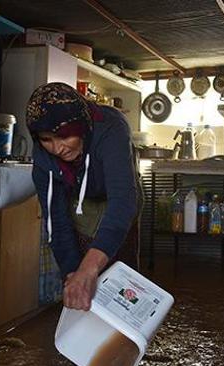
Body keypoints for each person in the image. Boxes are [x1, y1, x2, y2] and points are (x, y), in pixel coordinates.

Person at [27, 82, 141, 311]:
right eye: (47, 139)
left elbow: (123, 202)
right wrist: (74, 275)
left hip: (118, 195)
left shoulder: (111, 128)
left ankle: (126, 326)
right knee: (80, 272)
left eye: (64, 136)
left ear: (81, 125)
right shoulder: (43, 158)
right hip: (81, 200)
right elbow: (56, 222)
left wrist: (89, 268)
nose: (58, 148)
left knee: (118, 272)